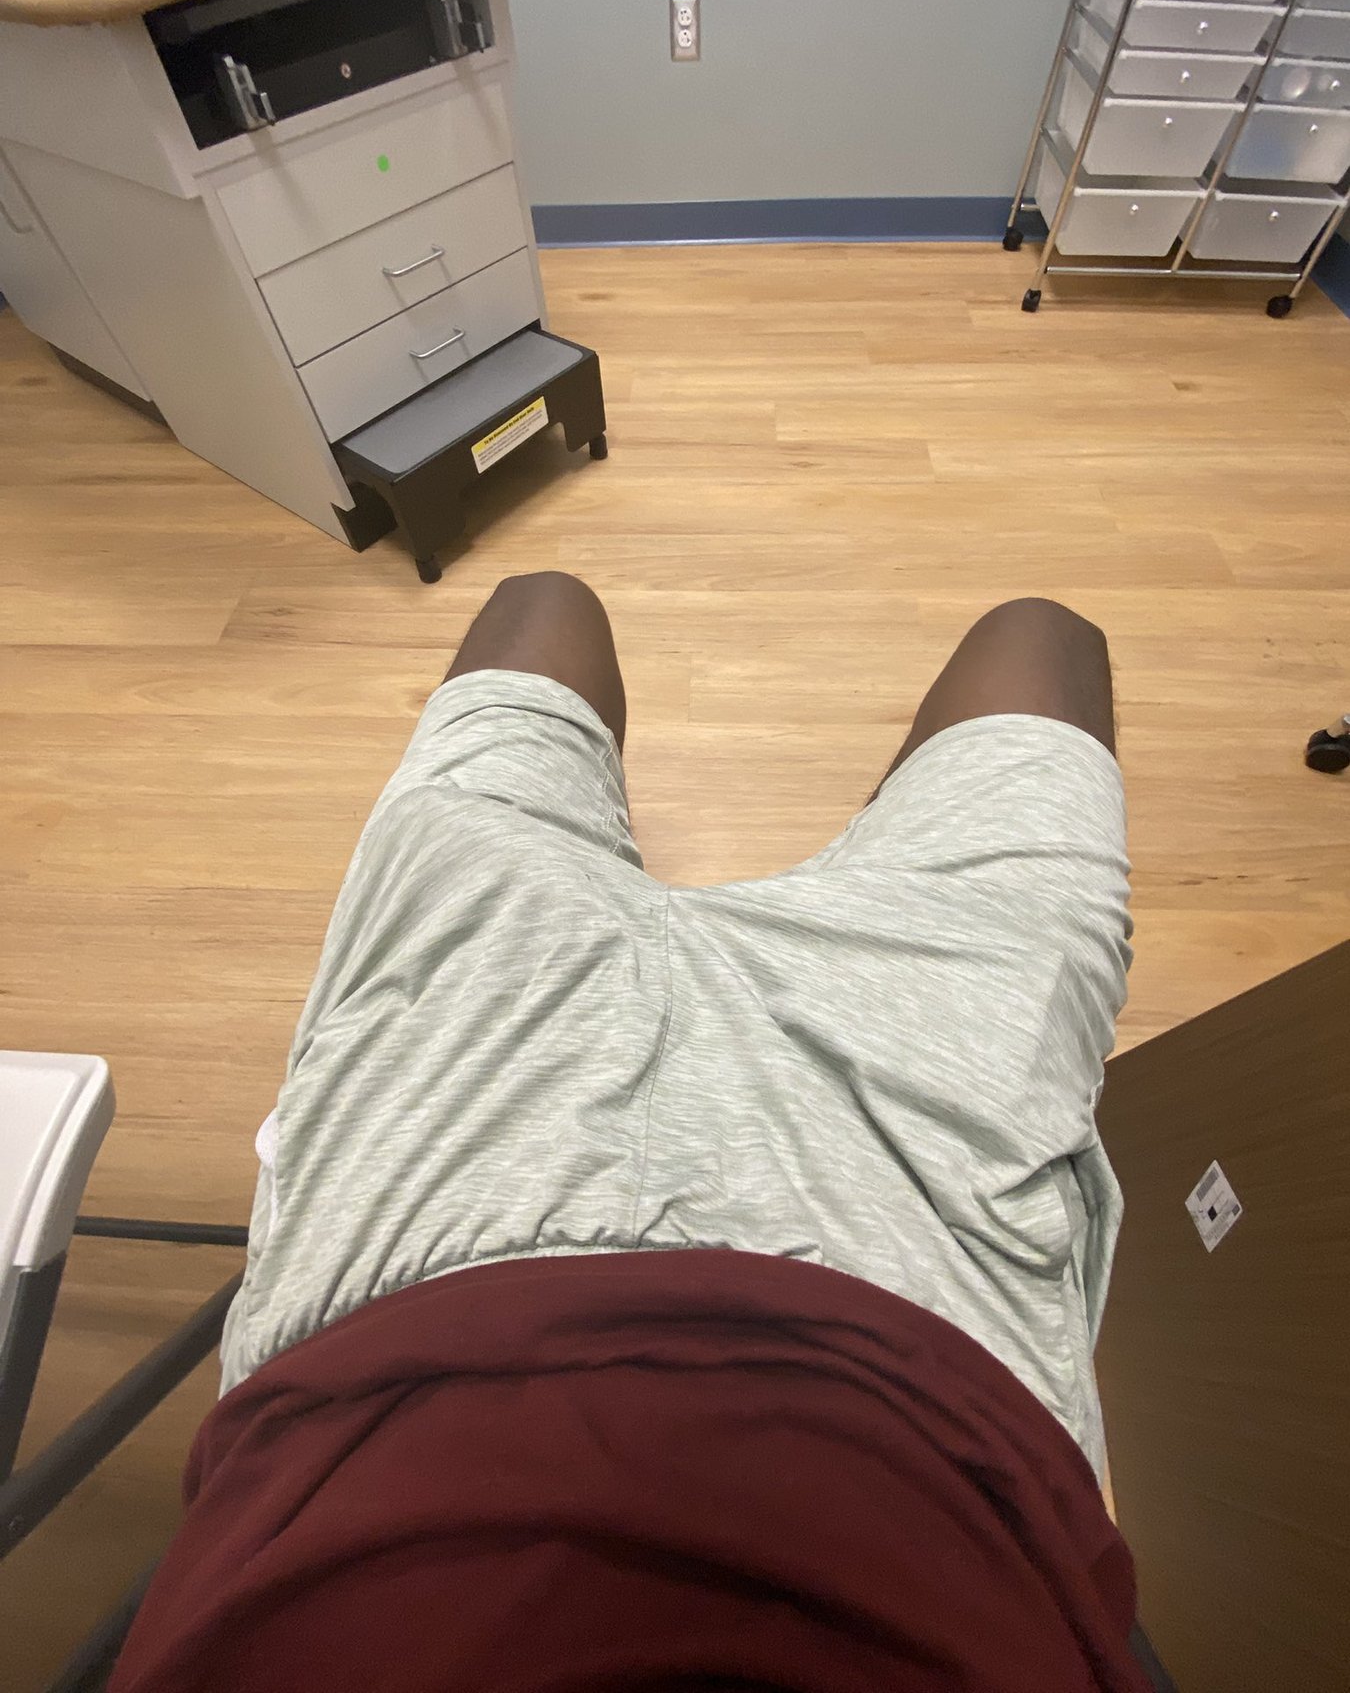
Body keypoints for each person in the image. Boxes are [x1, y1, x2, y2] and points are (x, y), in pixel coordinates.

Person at [111, 576, 1148, 1693]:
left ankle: (828, 883)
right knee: (1045, 639)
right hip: (929, 1322)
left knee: (543, 605)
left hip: (410, 1285)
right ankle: (855, 883)